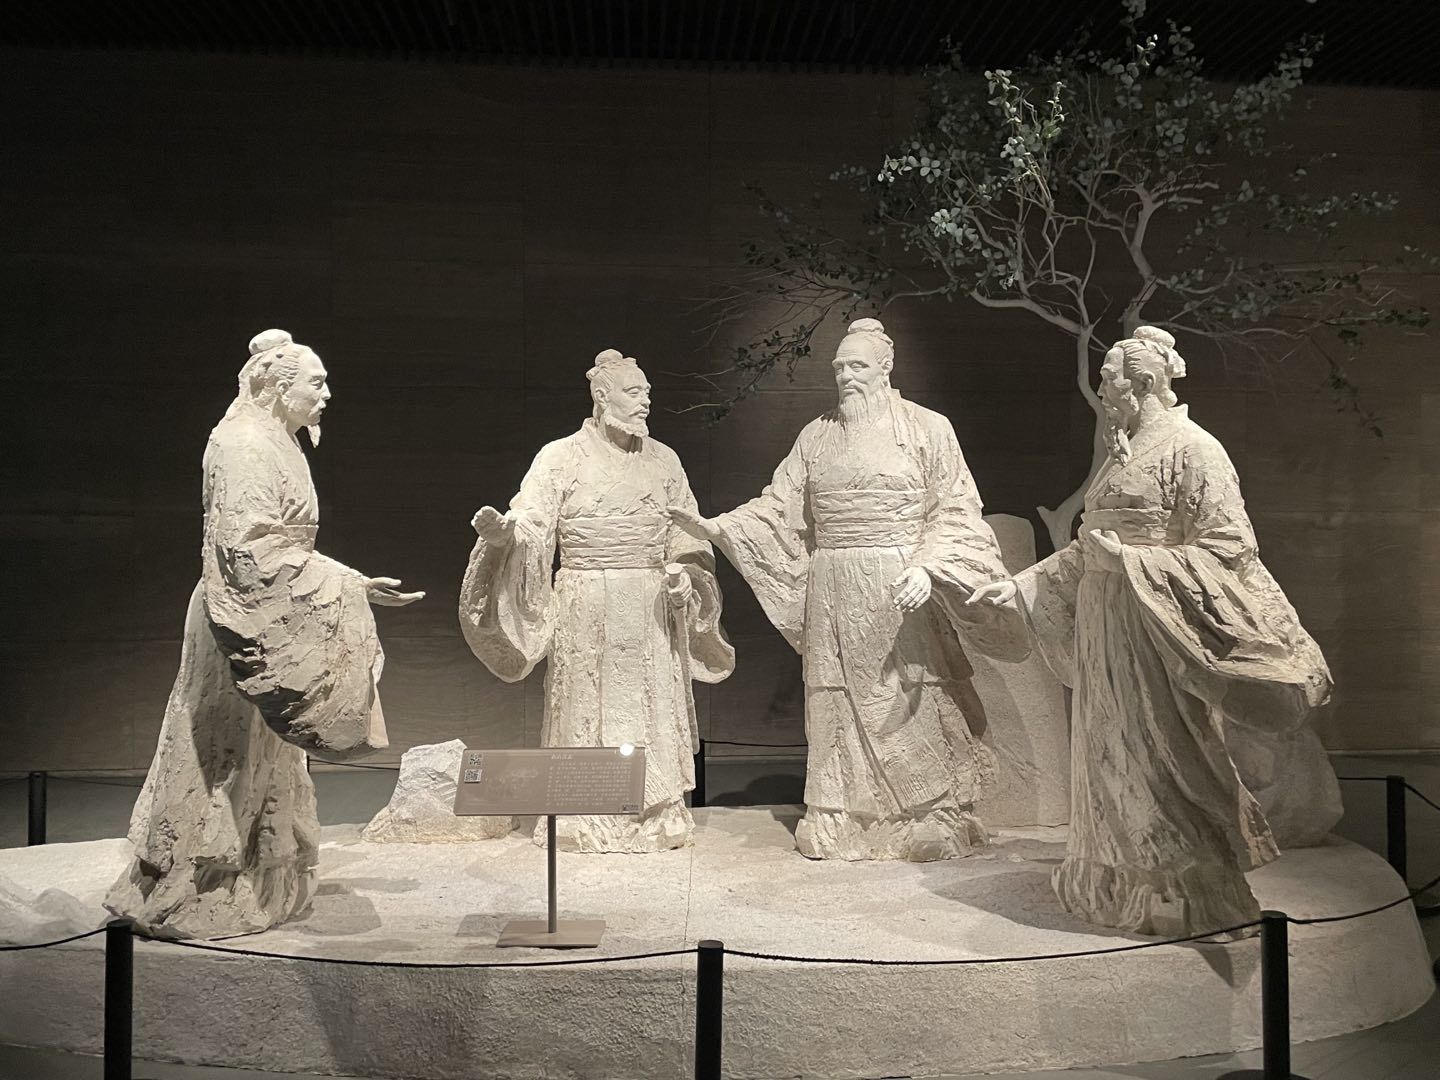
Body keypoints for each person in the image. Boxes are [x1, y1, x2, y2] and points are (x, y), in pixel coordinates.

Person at [969, 326, 1339, 936]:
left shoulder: (1195, 449)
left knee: (1164, 747)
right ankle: (1114, 880)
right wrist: (1023, 584)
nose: (1102, 390)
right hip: (1105, 624)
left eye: (1109, 379)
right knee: (1107, 745)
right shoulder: (1122, 451)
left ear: (1141, 382)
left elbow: (1228, 546)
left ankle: (1182, 886)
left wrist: (1134, 563)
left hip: (1152, 626)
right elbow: (1090, 544)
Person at [670, 318, 1026, 861]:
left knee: (910, 692)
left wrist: (929, 568)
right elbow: (778, 504)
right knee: (832, 695)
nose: (846, 376)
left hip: (898, 580)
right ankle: (838, 813)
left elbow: (955, 509)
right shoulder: (816, 435)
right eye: (839, 367)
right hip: (832, 582)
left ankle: (931, 814)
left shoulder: (928, 428)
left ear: (885, 367)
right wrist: (718, 527)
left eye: (857, 365)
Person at [107, 329, 422, 939]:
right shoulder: (244, 444)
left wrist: (353, 584)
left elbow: (280, 545)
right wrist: (343, 583)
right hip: (242, 614)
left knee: (263, 751)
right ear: (278, 387)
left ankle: (257, 874)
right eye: (316, 383)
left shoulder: (278, 441)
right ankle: (202, 883)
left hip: (275, 607)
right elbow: (245, 548)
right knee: (225, 746)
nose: (327, 394)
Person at [460, 349, 734, 852]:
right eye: (634, 392)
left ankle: (655, 812)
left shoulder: (664, 460)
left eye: (647, 392)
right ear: (602, 396)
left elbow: (687, 536)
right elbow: (533, 520)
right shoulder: (560, 457)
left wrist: (685, 577)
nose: (645, 402)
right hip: (585, 602)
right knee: (585, 703)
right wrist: (506, 536)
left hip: (649, 606)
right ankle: (581, 814)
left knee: (648, 705)